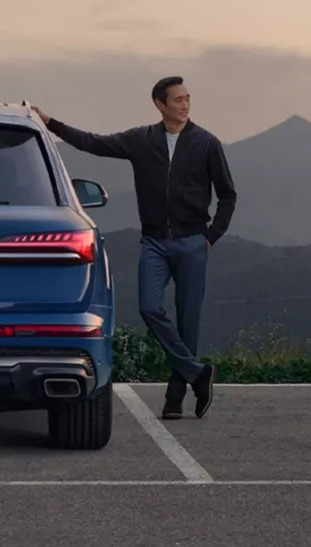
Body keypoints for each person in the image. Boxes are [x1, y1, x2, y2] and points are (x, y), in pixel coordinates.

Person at [31, 76, 236, 419]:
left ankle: (174, 400)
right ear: (160, 104)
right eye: (178, 100)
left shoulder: (206, 143)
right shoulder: (141, 140)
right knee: (149, 307)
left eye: (188, 99)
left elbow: (228, 194)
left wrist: (212, 235)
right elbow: (93, 142)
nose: (185, 105)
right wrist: (51, 124)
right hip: (155, 241)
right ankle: (198, 373)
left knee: (189, 323)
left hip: (192, 241)